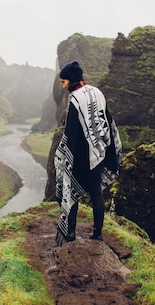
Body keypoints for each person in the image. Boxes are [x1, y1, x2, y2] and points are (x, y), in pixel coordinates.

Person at [54, 60, 123, 244]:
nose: (63, 85)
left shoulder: (75, 98)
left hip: (81, 156)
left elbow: (71, 131)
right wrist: (104, 145)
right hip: (99, 152)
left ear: (71, 80)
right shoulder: (97, 92)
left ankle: (70, 233)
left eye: (64, 82)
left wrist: (65, 156)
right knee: (96, 193)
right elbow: (107, 120)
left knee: (73, 189)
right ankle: (98, 233)